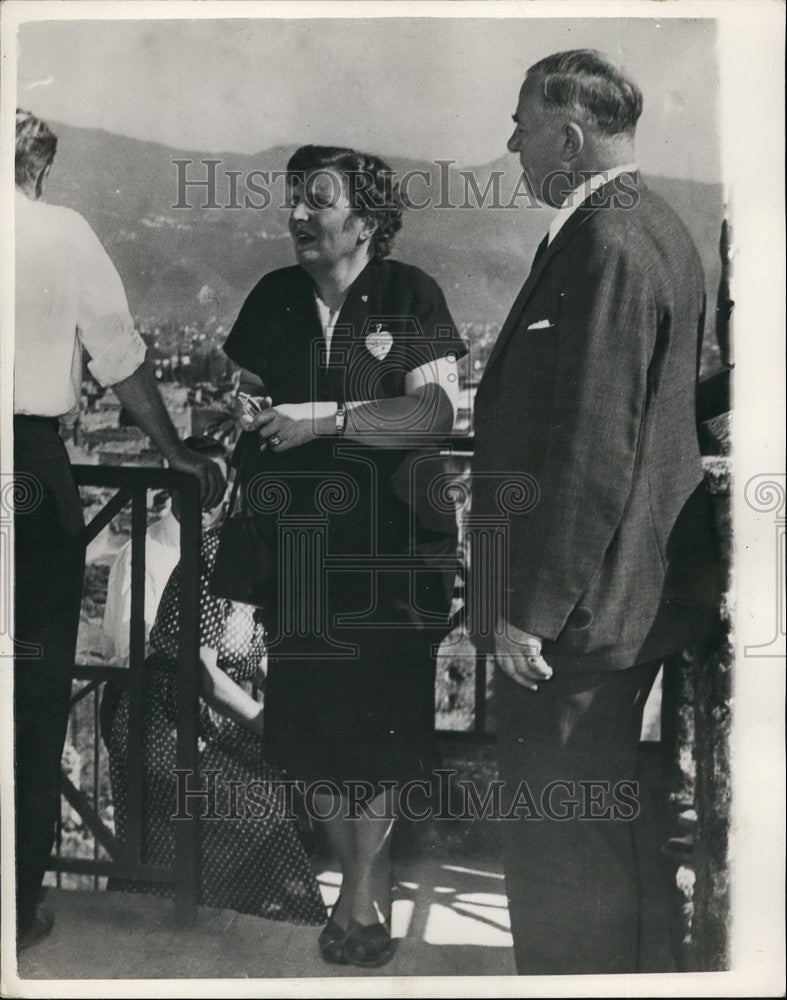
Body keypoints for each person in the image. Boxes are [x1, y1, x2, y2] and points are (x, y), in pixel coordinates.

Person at [468, 51, 721, 974]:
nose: (510, 142)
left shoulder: (608, 243)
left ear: (568, 137)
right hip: (618, 603)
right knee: (600, 832)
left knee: (558, 844)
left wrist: (526, 613)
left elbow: (592, 450)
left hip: (574, 619)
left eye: (521, 125)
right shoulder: (651, 225)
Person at [222, 145, 466, 966]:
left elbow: (432, 414)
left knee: (383, 736)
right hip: (301, 552)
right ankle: (360, 898)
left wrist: (319, 419)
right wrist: (249, 413)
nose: (296, 215)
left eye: (316, 201)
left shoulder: (410, 294)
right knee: (315, 732)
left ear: (364, 221)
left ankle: (360, 900)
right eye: (292, 199)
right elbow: (246, 398)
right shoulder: (272, 298)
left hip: (393, 556)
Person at [13, 110, 225, 950]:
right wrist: (175, 452)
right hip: (27, 473)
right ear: (39, 167)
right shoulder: (60, 232)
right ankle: (14, 905)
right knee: (31, 698)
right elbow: (119, 353)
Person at [105, 439, 326, 925]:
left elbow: (254, 650)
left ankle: (235, 918)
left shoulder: (258, 554)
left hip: (202, 720)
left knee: (282, 785)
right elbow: (201, 674)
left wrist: (293, 714)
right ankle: (269, 926)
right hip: (161, 720)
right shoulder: (211, 554)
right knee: (262, 805)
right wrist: (273, 725)